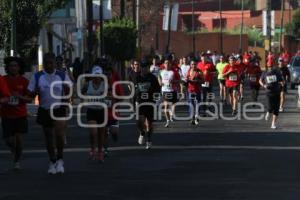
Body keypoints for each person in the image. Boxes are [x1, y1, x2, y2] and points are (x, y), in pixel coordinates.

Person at [27, 53, 73, 174]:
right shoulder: (37, 76)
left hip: (59, 108)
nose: (49, 65)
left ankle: (60, 159)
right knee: (48, 137)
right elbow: (30, 93)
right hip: (44, 109)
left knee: (59, 134)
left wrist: (68, 99)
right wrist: (34, 92)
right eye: (46, 63)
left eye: (51, 62)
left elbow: (70, 89)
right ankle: (52, 161)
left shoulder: (62, 75)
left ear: (54, 63)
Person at [81, 66, 107, 162]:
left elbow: (110, 96)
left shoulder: (105, 85)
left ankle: (100, 152)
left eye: (99, 75)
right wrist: (83, 102)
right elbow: (81, 93)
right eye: (95, 75)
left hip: (102, 111)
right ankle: (92, 148)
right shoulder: (88, 84)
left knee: (101, 134)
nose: (97, 77)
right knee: (93, 132)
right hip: (91, 110)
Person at [135, 62, 161, 149]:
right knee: (139, 121)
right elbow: (133, 90)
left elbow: (158, 90)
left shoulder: (152, 78)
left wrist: (156, 101)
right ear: (140, 68)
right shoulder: (137, 77)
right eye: (142, 67)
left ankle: (149, 140)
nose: (144, 69)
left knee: (149, 123)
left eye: (146, 67)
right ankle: (142, 132)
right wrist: (134, 101)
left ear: (148, 68)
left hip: (150, 102)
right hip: (140, 102)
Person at [259, 64, 284, 129]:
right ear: (267, 66)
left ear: (274, 66)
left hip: (277, 92)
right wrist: (264, 85)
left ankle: (273, 124)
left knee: (276, 109)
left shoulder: (277, 73)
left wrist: (282, 84)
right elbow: (260, 81)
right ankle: (268, 112)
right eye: (269, 66)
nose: (270, 68)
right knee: (270, 107)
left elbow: (282, 81)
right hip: (269, 93)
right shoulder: (265, 73)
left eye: (271, 66)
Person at [158, 59, 180, 127]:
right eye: (166, 63)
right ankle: (167, 121)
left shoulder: (173, 72)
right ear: (164, 64)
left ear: (170, 64)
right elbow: (158, 76)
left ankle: (171, 115)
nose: (167, 64)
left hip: (172, 90)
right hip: (165, 91)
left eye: (168, 63)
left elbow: (179, 80)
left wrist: (173, 81)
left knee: (173, 105)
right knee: (166, 107)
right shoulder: (161, 71)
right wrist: (160, 82)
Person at [187, 60, 203, 125]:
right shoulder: (189, 71)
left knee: (198, 104)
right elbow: (187, 78)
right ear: (190, 65)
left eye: (194, 64)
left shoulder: (199, 72)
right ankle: (192, 117)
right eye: (192, 64)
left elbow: (203, 81)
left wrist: (197, 80)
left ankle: (197, 116)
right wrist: (187, 80)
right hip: (190, 90)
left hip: (197, 90)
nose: (193, 66)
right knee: (191, 104)